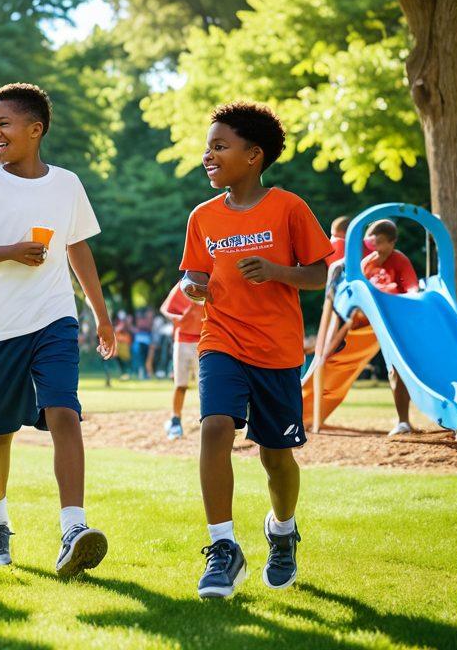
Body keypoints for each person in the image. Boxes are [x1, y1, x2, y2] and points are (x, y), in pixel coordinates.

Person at [0, 82, 116, 577]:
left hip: (55, 318)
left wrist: (101, 314)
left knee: (64, 412)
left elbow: (78, 248)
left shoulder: (67, 184)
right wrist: (12, 251)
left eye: (3, 124)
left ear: (35, 129)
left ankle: (74, 528)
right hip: (0, 327)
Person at [179, 101, 330, 600]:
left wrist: (275, 271)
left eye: (219, 146)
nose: (208, 156)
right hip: (221, 339)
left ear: (253, 154)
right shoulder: (202, 216)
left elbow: (319, 274)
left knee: (276, 457)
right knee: (215, 426)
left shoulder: (288, 207)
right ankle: (223, 548)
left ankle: (282, 530)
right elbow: (195, 274)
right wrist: (194, 288)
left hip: (277, 350)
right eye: (207, 147)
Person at [361, 219, 421, 435]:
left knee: (397, 369)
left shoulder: (399, 260)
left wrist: (409, 298)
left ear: (392, 242)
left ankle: (403, 421)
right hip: (373, 321)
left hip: (399, 322)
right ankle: (403, 421)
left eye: (380, 242)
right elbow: (358, 286)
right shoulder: (368, 262)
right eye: (372, 243)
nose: (375, 247)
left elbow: (412, 287)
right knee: (393, 370)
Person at [159, 285, 204, 440]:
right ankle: (175, 421)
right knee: (180, 385)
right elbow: (165, 309)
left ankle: (207, 421)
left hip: (205, 340)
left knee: (205, 386)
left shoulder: (211, 283)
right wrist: (182, 316)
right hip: (183, 340)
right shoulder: (183, 285)